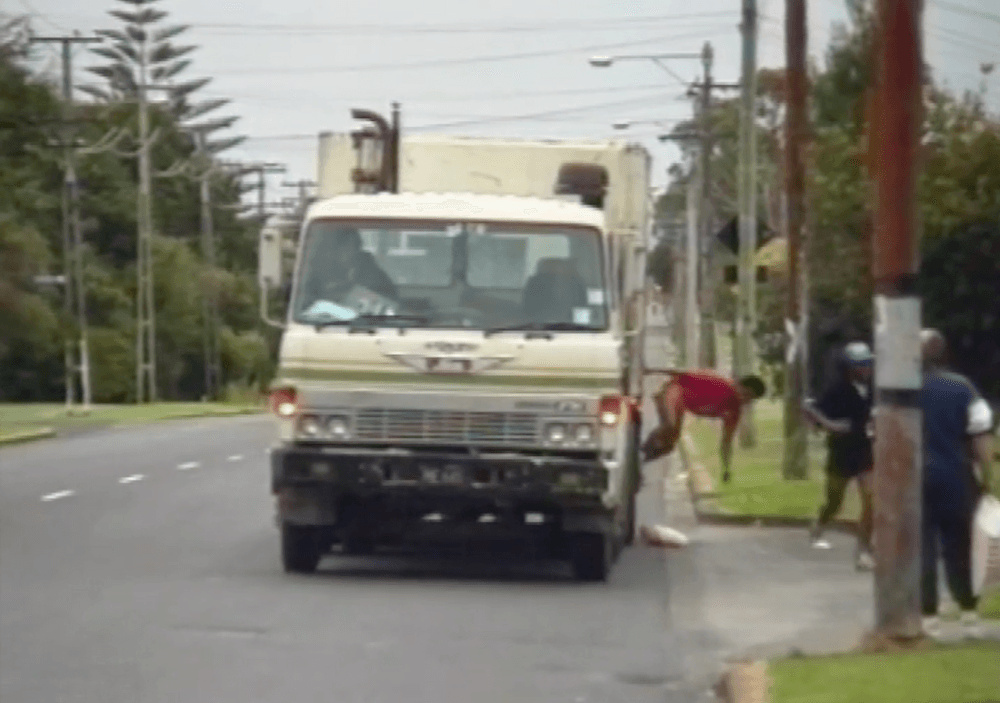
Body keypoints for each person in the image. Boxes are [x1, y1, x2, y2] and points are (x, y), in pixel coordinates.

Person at [919, 329, 994, 638]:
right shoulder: (963, 388)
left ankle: (928, 617)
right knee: (961, 545)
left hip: (914, 479)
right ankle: (969, 613)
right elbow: (981, 436)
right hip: (956, 475)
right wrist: (987, 479)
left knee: (921, 547)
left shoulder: (902, 391)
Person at [803, 341, 876, 570]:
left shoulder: (874, 389)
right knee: (835, 501)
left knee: (872, 500)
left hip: (864, 451)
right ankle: (820, 523)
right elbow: (816, 416)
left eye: (868, 363)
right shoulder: (836, 391)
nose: (866, 368)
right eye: (861, 365)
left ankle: (864, 549)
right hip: (840, 453)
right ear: (849, 368)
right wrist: (829, 424)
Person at [641, 369, 767, 483]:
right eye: (745, 393)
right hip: (672, 391)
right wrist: (651, 371)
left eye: (749, 399)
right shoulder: (719, 384)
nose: (744, 399)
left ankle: (642, 459)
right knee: (670, 426)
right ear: (739, 385)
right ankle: (641, 453)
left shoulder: (734, 411)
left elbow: (726, 442)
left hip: (681, 405)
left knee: (669, 445)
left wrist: (726, 468)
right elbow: (681, 374)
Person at [303, 228, 398, 307]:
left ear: (356, 248)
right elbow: (307, 303)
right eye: (337, 248)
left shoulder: (375, 276)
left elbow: (390, 305)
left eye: (347, 247)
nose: (340, 252)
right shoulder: (320, 273)